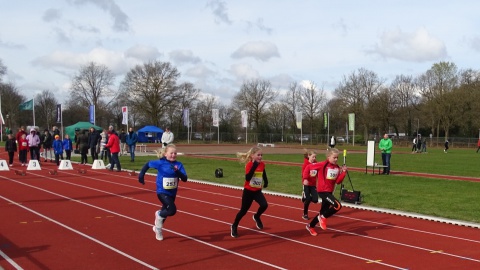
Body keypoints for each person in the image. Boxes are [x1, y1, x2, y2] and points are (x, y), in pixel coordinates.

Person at [138, 144, 188, 241]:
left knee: (166, 211)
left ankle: (158, 228)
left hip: (172, 192)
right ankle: (159, 214)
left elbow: (185, 179)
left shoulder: (179, 165)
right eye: (171, 153)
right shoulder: (160, 163)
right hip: (162, 191)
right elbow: (147, 164)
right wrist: (141, 175)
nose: (173, 155)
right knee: (172, 210)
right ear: (165, 154)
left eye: (175, 153)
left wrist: (177, 172)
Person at [304, 148, 347, 236]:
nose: (336, 159)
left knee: (323, 211)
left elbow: (338, 181)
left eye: (337, 158)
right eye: (334, 157)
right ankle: (322, 217)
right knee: (337, 205)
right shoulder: (322, 164)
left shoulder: (337, 167)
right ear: (328, 157)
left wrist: (343, 172)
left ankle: (310, 226)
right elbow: (308, 167)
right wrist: (305, 178)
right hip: (322, 191)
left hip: (329, 192)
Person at [231, 146, 269, 238]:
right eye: (258, 155)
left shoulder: (262, 164)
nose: (260, 157)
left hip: (257, 191)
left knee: (264, 205)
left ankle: (256, 216)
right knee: (243, 211)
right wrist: (254, 166)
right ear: (252, 156)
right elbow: (248, 178)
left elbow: (263, 173)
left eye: (261, 155)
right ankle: (234, 225)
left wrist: (266, 181)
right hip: (248, 191)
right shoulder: (249, 165)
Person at [301, 149, 318, 220]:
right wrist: (309, 175)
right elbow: (303, 175)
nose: (314, 159)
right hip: (306, 184)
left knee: (315, 200)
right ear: (309, 156)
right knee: (308, 199)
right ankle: (305, 214)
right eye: (313, 157)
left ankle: (304, 197)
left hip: (313, 184)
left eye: (315, 157)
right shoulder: (305, 164)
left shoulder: (316, 163)